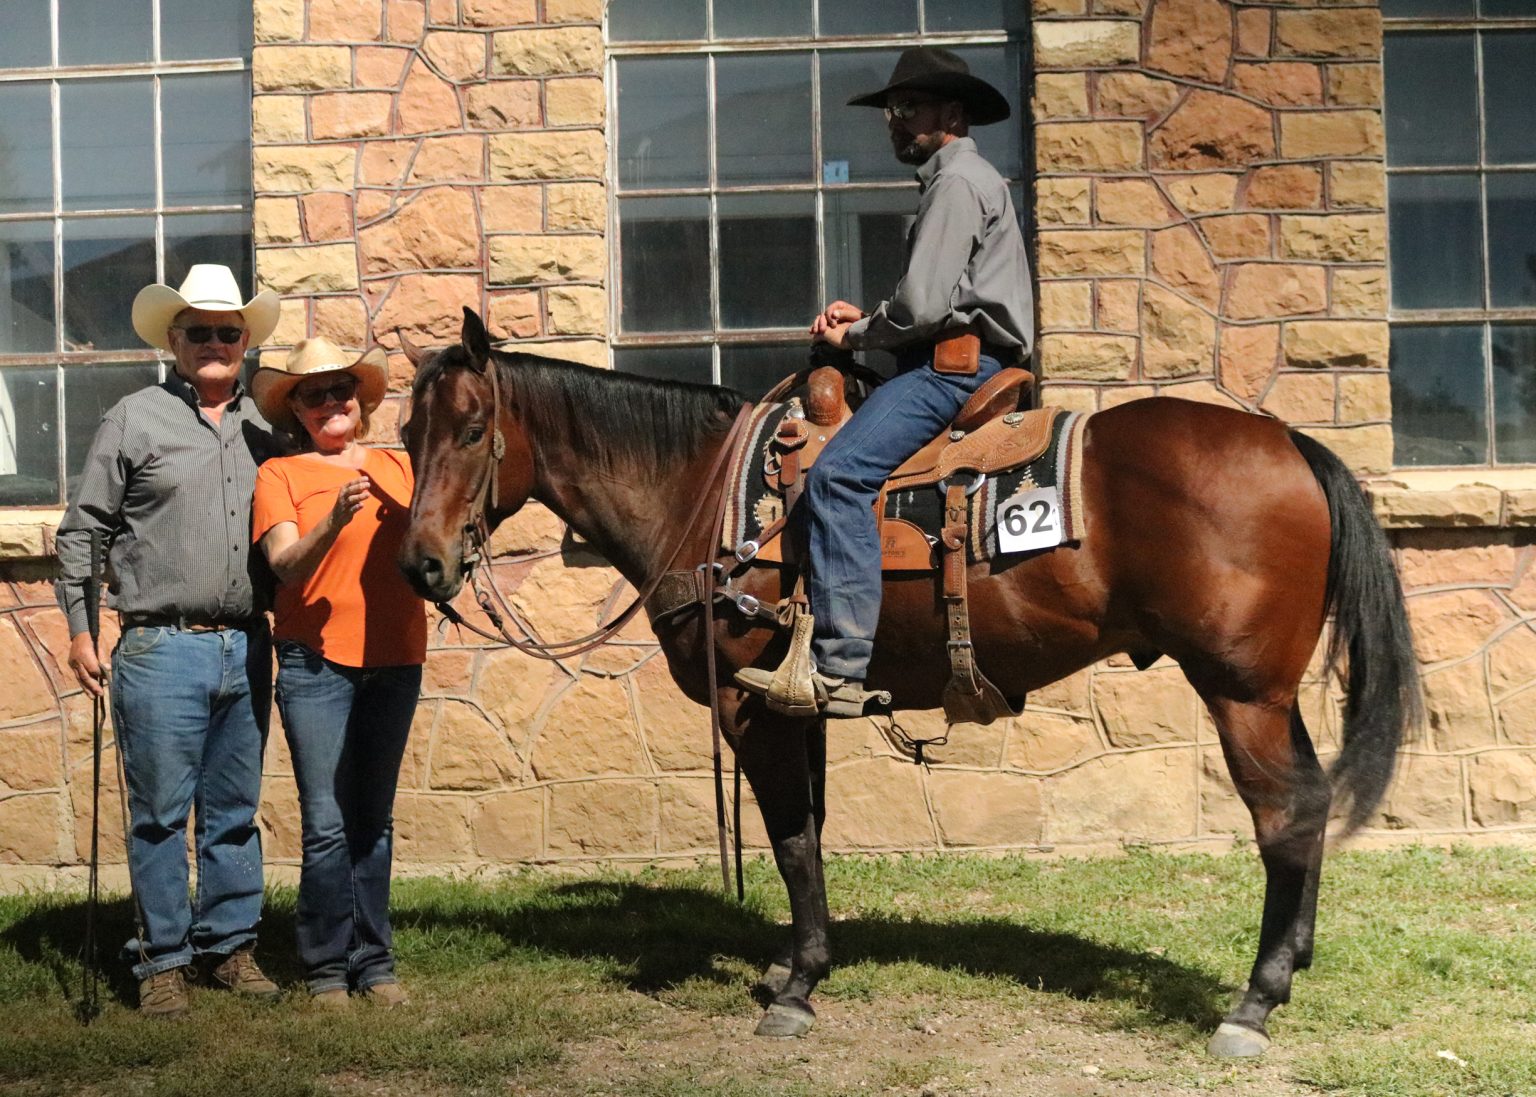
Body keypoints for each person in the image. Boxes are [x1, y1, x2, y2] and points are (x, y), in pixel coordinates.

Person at [737, 47, 1035, 717]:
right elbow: (934, 300)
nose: (894, 122)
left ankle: (838, 668)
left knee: (839, 475)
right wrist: (868, 318)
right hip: (955, 356)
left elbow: (923, 308)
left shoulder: (956, 184)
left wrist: (857, 334)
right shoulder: (960, 180)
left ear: (951, 115)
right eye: (890, 112)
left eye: (909, 109)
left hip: (954, 370)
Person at [56, 263, 284, 1016]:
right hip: (160, 647)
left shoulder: (266, 429)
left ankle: (229, 946)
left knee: (233, 811)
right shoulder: (134, 418)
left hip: (247, 645)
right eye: (199, 332)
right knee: (157, 813)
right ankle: (161, 959)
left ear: (244, 341)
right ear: (174, 341)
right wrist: (82, 631)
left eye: (227, 331)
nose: (214, 342)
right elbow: (83, 532)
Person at [250, 337, 427, 1008]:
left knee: (373, 819)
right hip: (315, 660)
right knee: (326, 820)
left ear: (361, 401)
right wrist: (335, 519)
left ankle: (374, 963)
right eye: (314, 392)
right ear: (294, 407)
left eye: (341, 389)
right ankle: (326, 967)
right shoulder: (281, 475)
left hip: (396, 655)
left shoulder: (401, 467)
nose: (330, 401)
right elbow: (285, 564)